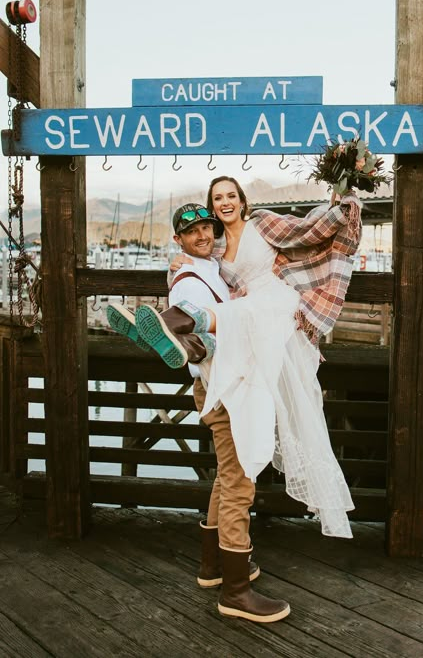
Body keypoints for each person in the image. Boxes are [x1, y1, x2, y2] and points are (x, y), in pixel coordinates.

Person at [141, 176, 360, 544]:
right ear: (213, 208)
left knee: (241, 317)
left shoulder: (263, 224)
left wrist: (344, 202)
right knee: (239, 441)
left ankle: (175, 324)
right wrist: (173, 263)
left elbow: (308, 231)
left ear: (242, 201)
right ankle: (177, 328)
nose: (225, 202)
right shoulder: (214, 246)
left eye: (231, 196)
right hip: (255, 325)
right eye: (218, 198)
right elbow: (193, 265)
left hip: (278, 307)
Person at [107, 203, 290, 624]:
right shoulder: (189, 278)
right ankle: (236, 591)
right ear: (180, 239)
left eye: (206, 227)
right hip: (222, 385)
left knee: (226, 478)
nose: (203, 235)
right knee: (240, 483)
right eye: (193, 232)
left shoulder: (206, 268)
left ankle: (213, 569)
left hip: (218, 379)